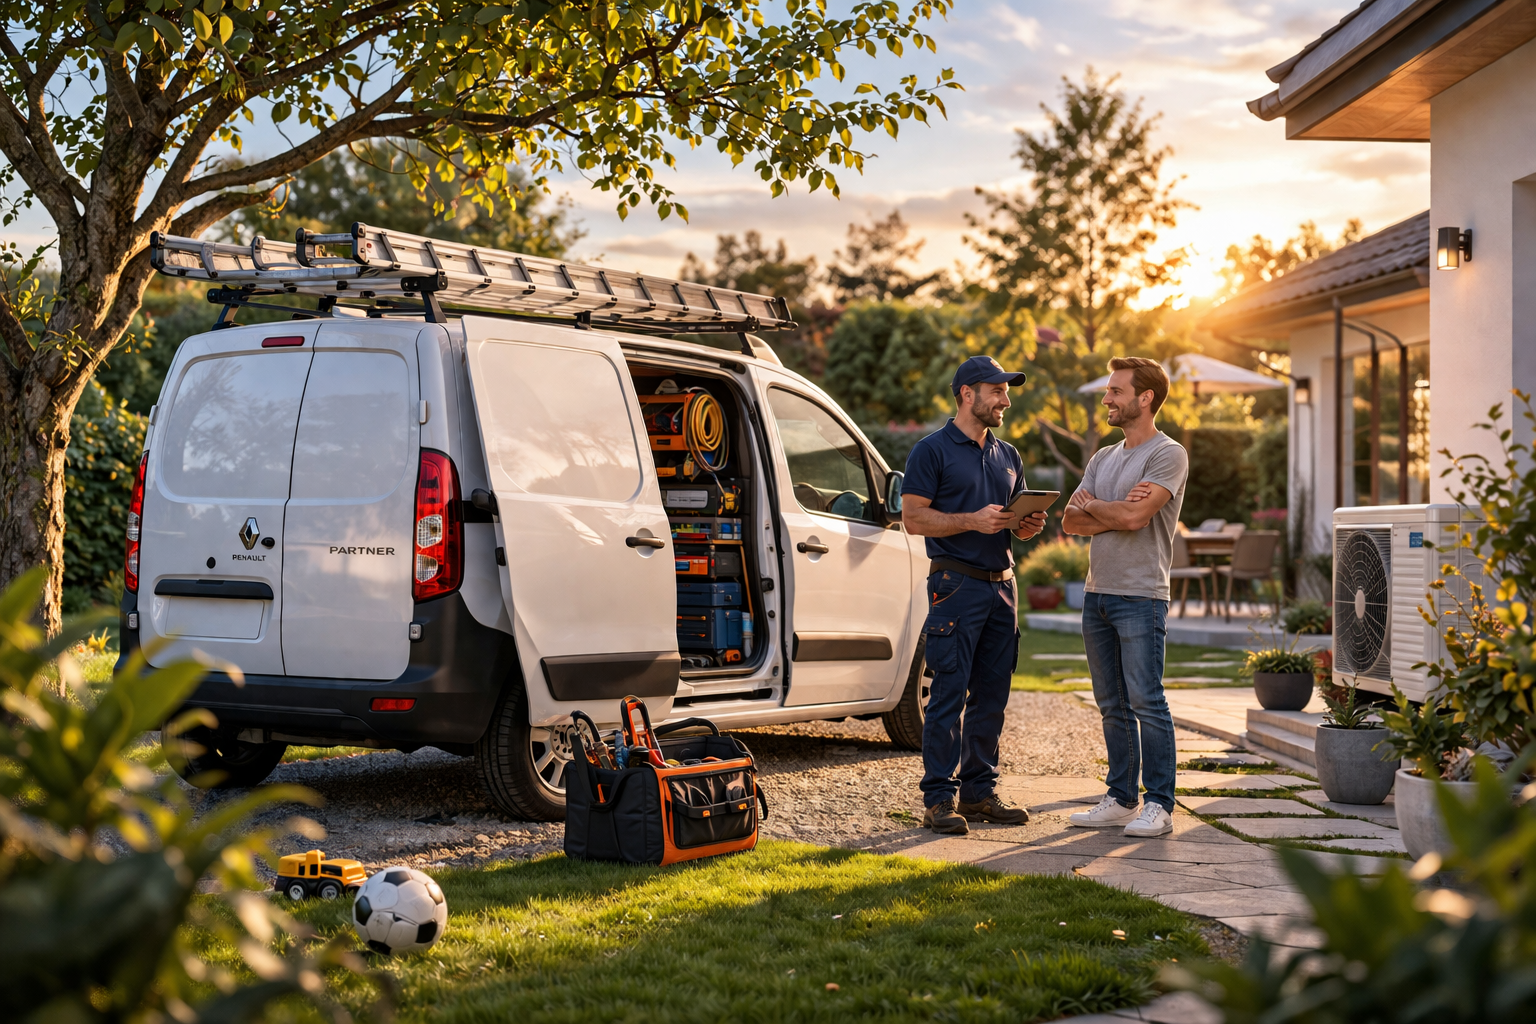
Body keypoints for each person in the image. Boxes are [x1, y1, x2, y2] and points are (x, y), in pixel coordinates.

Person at [900, 355, 1048, 835]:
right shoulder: (931, 450)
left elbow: (1015, 528)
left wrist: (1027, 525)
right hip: (955, 585)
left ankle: (979, 793)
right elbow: (914, 518)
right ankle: (939, 800)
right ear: (968, 393)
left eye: (1007, 391)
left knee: (992, 696)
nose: (1006, 399)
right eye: (998, 390)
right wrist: (969, 520)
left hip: (1002, 587)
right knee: (947, 693)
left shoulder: (1009, 455)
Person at [1062, 356, 1189, 839]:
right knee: (1111, 702)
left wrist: (1096, 506)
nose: (1106, 399)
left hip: (1140, 595)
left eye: (1116, 391)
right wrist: (1109, 510)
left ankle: (1159, 803)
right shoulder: (1102, 458)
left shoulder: (1167, 454)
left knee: (1147, 701)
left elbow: (1137, 520)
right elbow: (1070, 523)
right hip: (1098, 594)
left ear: (1145, 398)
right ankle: (1120, 797)